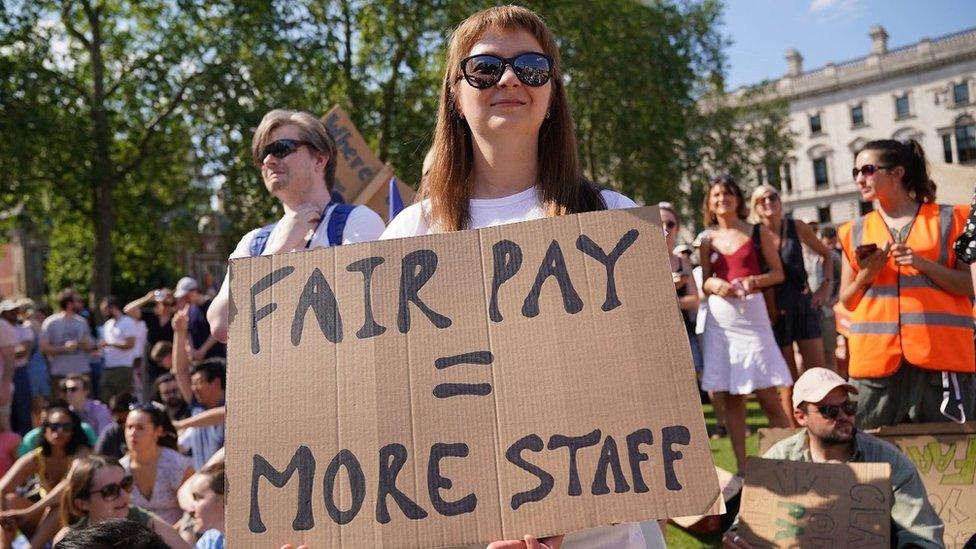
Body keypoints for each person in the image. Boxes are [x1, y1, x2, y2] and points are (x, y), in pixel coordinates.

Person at [381, 5, 661, 547]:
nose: (509, 79)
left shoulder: (611, 218)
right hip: (462, 521)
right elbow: (394, 397)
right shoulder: (409, 233)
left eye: (532, 67)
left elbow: (647, 383)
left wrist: (562, 508)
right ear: (455, 95)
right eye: (485, 68)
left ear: (552, 92)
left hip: (596, 524)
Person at [207, 109, 387, 343]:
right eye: (263, 154)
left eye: (281, 149)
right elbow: (221, 325)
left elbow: (358, 307)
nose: (269, 161)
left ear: (319, 159)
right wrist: (277, 253)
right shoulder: (254, 243)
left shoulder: (358, 222)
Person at [722, 368, 945, 548]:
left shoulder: (889, 462)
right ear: (801, 417)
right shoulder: (779, 459)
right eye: (830, 411)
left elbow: (923, 537)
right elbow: (745, 524)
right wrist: (736, 539)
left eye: (849, 407)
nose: (843, 416)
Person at [838, 139, 974, 429]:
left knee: (953, 464)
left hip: (942, 362)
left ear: (897, 173)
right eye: (856, 172)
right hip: (875, 365)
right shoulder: (854, 230)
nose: (860, 178)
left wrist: (922, 263)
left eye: (868, 169)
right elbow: (847, 301)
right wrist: (867, 274)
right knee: (868, 458)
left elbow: (970, 285)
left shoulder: (952, 219)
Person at [699, 176, 792, 474]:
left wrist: (755, 280)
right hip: (721, 326)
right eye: (715, 195)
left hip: (753, 318)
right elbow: (704, 282)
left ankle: (792, 462)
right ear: (709, 203)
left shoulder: (756, 231)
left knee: (767, 394)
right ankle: (743, 469)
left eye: (727, 193)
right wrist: (713, 282)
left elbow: (778, 273)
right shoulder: (706, 239)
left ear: (737, 199)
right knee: (732, 396)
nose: (721, 199)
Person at [750, 184, 834, 422]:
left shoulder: (796, 227)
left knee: (818, 373)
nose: (769, 202)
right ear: (755, 206)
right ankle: (794, 438)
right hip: (774, 309)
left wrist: (825, 287)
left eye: (773, 196)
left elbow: (827, 254)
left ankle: (827, 425)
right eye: (762, 199)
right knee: (787, 380)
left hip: (802, 303)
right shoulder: (753, 234)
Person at [0, 401, 91, 548]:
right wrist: (4, 517)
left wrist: (29, 512)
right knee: (9, 501)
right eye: (54, 426)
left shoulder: (81, 454)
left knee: (58, 506)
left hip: (76, 518)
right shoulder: (37, 458)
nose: (59, 431)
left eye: (66, 427)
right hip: (43, 518)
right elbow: (2, 488)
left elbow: (66, 487)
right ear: (45, 430)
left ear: (74, 430)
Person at [53, 455, 187, 548]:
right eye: (110, 490)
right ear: (82, 503)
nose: (124, 495)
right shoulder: (69, 539)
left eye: (126, 484)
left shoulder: (148, 524)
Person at [120, 403, 193, 525]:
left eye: (140, 428)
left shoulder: (175, 463)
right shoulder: (120, 470)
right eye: (129, 427)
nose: (132, 433)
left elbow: (193, 508)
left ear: (158, 431)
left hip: (177, 537)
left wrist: (171, 535)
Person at [172, 313, 224, 472]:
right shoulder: (197, 407)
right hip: (201, 485)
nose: (193, 388)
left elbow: (226, 413)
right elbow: (180, 371)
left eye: (198, 383)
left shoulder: (233, 406)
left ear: (216, 383)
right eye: (192, 384)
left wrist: (183, 424)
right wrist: (179, 333)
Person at [660, 203, 702, 374]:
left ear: (677, 228)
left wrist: (668, 297)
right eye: (659, 222)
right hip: (658, 335)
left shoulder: (682, 262)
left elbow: (695, 301)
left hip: (685, 333)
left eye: (670, 224)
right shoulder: (644, 261)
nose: (665, 229)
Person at [124, 289, 177, 402]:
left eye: (171, 304)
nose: (168, 307)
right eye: (165, 304)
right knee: (150, 390)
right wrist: (147, 298)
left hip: (168, 360)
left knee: (169, 389)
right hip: (151, 360)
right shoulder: (151, 316)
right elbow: (128, 309)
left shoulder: (175, 318)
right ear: (159, 303)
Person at [40, 289, 93, 398]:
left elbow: (89, 346)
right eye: (78, 300)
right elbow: (43, 348)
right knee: (61, 407)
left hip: (82, 372)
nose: (81, 303)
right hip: (60, 373)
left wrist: (85, 344)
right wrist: (64, 348)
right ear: (69, 304)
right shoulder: (51, 322)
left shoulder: (82, 322)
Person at [805, 226, 843, 371]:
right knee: (810, 357)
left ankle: (835, 390)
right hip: (807, 312)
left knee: (829, 354)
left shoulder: (832, 256)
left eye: (815, 228)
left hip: (826, 311)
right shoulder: (800, 255)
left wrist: (835, 298)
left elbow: (843, 277)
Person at [97, 296, 138, 405]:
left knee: (123, 399)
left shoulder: (127, 322)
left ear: (113, 307)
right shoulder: (108, 324)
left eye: (105, 309)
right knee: (106, 397)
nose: (103, 312)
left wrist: (110, 343)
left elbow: (130, 344)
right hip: (108, 367)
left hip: (123, 367)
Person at [173, 278, 225, 362]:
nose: (185, 299)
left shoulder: (212, 306)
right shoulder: (189, 309)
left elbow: (218, 330)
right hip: (198, 360)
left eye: (186, 296)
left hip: (215, 358)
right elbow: (188, 331)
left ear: (194, 291)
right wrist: (191, 349)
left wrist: (203, 350)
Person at [1, 301, 32, 435]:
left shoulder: (23, 328)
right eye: (10, 311)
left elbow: (24, 350)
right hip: (8, 374)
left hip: (18, 373)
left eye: (15, 311)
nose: (13, 314)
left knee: (22, 411)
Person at [187, 462, 224, 549]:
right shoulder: (209, 540)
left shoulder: (252, 540)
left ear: (223, 500)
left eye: (198, 498)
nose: (191, 508)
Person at [94, 393, 137, 460]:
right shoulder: (111, 433)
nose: (125, 426)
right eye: (120, 422)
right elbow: (98, 459)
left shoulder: (146, 431)